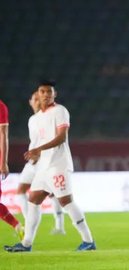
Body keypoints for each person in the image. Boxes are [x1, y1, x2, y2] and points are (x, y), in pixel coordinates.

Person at [4, 81, 95, 252]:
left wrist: (39, 149)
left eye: (49, 91)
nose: (45, 94)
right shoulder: (33, 119)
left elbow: (61, 137)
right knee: (33, 201)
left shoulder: (60, 111)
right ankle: (26, 244)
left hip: (58, 164)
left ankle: (88, 241)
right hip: (42, 167)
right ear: (37, 94)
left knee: (66, 201)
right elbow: (36, 143)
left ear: (55, 94)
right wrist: (34, 155)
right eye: (42, 91)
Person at [16, 91, 66, 235]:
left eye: (40, 99)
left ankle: (59, 226)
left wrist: (42, 153)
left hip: (45, 161)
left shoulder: (49, 117)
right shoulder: (32, 119)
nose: (38, 101)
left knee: (54, 194)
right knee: (20, 190)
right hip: (33, 162)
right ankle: (28, 222)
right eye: (35, 99)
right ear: (30, 101)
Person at [0, 99, 24, 239]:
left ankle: (18, 226)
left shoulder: (1, 107)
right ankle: (18, 226)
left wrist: (3, 162)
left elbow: (3, 134)